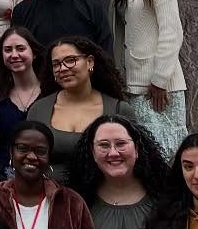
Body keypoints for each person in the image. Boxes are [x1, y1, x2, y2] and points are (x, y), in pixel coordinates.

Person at [114, 0, 189, 160]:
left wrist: (159, 79)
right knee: (146, 152)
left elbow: (172, 31)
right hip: (135, 84)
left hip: (160, 86)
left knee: (168, 151)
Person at [27, 36, 133, 182]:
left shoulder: (119, 110)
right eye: (56, 64)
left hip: (103, 197)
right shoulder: (38, 110)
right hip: (50, 196)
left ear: (89, 61)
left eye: (70, 60)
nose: (63, 68)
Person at [0, 28, 48, 177]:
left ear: (34, 52)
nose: (14, 55)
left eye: (20, 48)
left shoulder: (50, 92)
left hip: (46, 173)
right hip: (8, 175)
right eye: (7, 50)